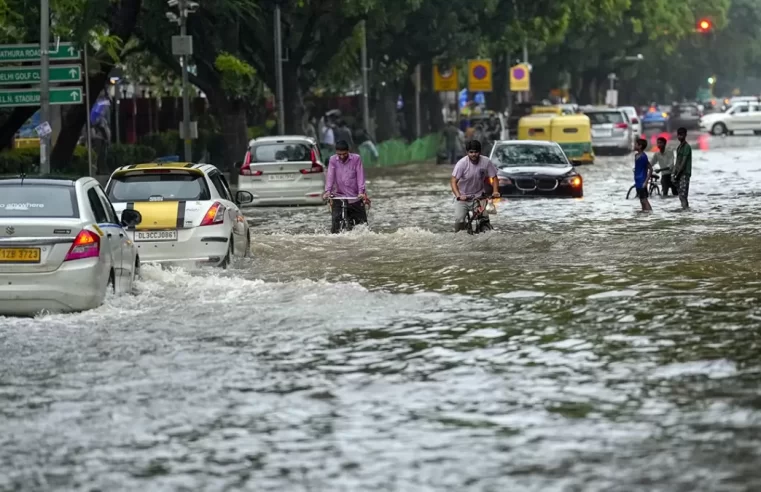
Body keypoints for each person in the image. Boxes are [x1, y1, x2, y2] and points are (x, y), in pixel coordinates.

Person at [450, 139, 500, 232]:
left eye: (476, 152)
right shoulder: (461, 164)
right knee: (459, 220)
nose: (473, 154)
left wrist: (495, 191)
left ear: (480, 152)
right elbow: (453, 181)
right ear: (467, 152)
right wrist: (459, 196)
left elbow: (494, 177)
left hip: (479, 197)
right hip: (462, 197)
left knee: (484, 220)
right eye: (471, 152)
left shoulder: (486, 162)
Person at [323, 140, 368, 233]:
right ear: (336, 153)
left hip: (355, 197)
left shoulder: (356, 159)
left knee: (362, 228)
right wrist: (328, 191)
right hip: (339, 197)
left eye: (344, 154)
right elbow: (330, 176)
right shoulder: (333, 160)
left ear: (348, 151)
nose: (342, 156)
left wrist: (361, 192)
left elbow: (360, 176)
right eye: (339, 154)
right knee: (336, 229)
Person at [673, 127, 692, 209]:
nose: (680, 137)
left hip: (684, 173)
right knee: (681, 195)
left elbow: (683, 162)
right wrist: (673, 173)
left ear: (685, 135)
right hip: (678, 174)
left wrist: (677, 174)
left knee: (683, 195)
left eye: (682, 135)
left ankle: (685, 210)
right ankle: (685, 210)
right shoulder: (679, 147)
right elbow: (677, 161)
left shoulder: (687, 147)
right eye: (678, 135)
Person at [633, 137, 653, 212]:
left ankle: (650, 213)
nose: (634, 145)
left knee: (644, 200)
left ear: (640, 146)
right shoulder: (636, 156)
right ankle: (644, 214)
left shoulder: (643, 156)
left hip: (642, 181)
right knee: (641, 200)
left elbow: (650, 169)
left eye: (636, 144)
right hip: (638, 181)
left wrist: (646, 182)